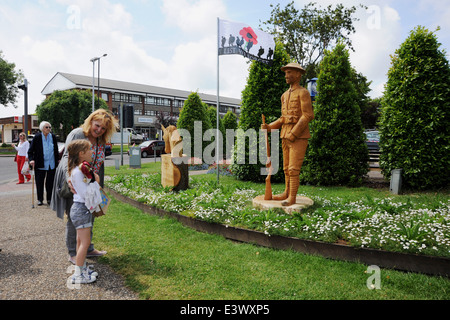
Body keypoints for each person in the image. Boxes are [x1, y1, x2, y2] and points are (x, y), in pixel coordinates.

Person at [51, 109, 117, 264]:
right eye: (97, 125)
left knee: (90, 214)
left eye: (103, 128)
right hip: (74, 181)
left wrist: (98, 186)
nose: (99, 130)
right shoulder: (78, 134)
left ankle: (87, 248)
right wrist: (70, 179)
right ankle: (73, 253)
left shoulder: (100, 140)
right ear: (91, 122)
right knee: (76, 217)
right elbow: (67, 157)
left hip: (90, 183)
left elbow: (98, 164)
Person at [261, 62, 314, 206]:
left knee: (293, 169)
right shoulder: (284, 95)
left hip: (298, 136)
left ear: (298, 74)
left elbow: (308, 115)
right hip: (284, 135)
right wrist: (269, 127)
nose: (286, 75)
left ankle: (292, 197)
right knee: (286, 168)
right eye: (285, 72)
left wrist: (294, 133)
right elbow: (283, 118)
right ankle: (286, 192)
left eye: (289, 72)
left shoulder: (303, 93)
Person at [67, 139, 101, 284]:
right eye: (89, 150)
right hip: (82, 210)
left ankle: (81, 267)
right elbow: (85, 193)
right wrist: (96, 182)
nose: (92, 152)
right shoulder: (78, 172)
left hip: (80, 209)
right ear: (81, 153)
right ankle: (78, 275)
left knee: (80, 241)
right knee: (85, 243)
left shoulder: (78, 170)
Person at [28, 121, 59, 206]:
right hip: (40, 163)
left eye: (49, 127)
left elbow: (56, 150)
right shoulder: (37, 137)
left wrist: (58, 159)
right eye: (47, 127)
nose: (49, 129)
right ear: (42, 129)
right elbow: (30, 151)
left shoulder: (52, 137)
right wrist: (31, 160)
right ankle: (40, 199)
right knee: (39, 182)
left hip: (51, 164)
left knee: (50, 182)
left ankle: (49, 199)